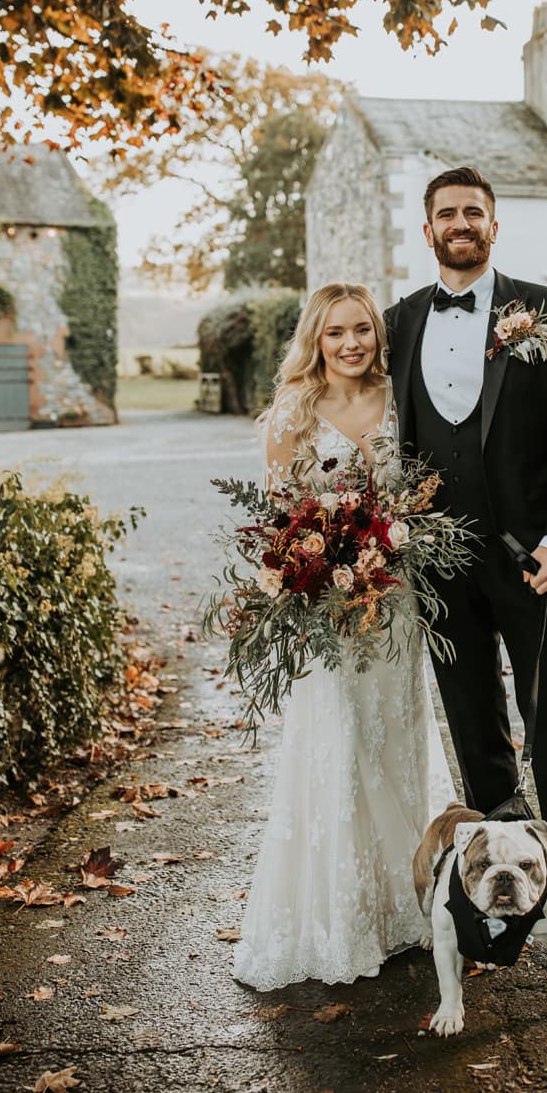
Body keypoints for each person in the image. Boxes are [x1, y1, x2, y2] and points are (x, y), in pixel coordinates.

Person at [384, 166, 547, 991]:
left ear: (494, 225)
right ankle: (501, 908)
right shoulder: (398, 322)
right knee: (480, 744)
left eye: (474, 212)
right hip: (440, 569)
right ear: (428, 231)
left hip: (535, 564)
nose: (461, 223)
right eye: (447, 213)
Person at [232, 283, 454, 990]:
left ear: (377, 336)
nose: (351, 343)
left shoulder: (400, 399)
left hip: (394, 604)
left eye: (362, 329)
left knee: (396, 739)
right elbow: (279, 521)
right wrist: (316, 567)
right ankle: (341, 913)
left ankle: (401, 902)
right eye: (335, 333)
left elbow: (423, 492)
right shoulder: (291, 413)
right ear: (316, 340)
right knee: (342, 741)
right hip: (329, 612)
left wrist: (390, 545)